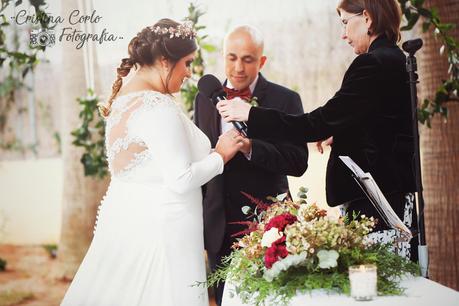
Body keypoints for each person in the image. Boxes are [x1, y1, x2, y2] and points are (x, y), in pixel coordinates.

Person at [61, 19, 244, 306]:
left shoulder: (125, 100)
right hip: (167, 233)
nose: (188, 73)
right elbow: (180, 178)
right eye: (186, 63)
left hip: (136, 225)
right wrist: (220, 155)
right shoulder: (157, 107)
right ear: (163, 61)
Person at [217, 0, 418, 260]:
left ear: (367, 18)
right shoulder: (394, 59)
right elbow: (382, 124)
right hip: (395, 194)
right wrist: (343, 131)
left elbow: (316, 123)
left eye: (346, 23)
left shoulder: (372, 63)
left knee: (378, 283)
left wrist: (250, 114)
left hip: (377, 201)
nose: (343, 34)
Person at [194, 25, 308, 305]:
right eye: (231, 58)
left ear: (262, 61)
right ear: (222, 57)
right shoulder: (203, 99)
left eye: (247, 59)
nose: (238, 67)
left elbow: (298, 162)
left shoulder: (285, 100)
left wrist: (251, 147)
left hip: (269, 227)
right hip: (219, 228)